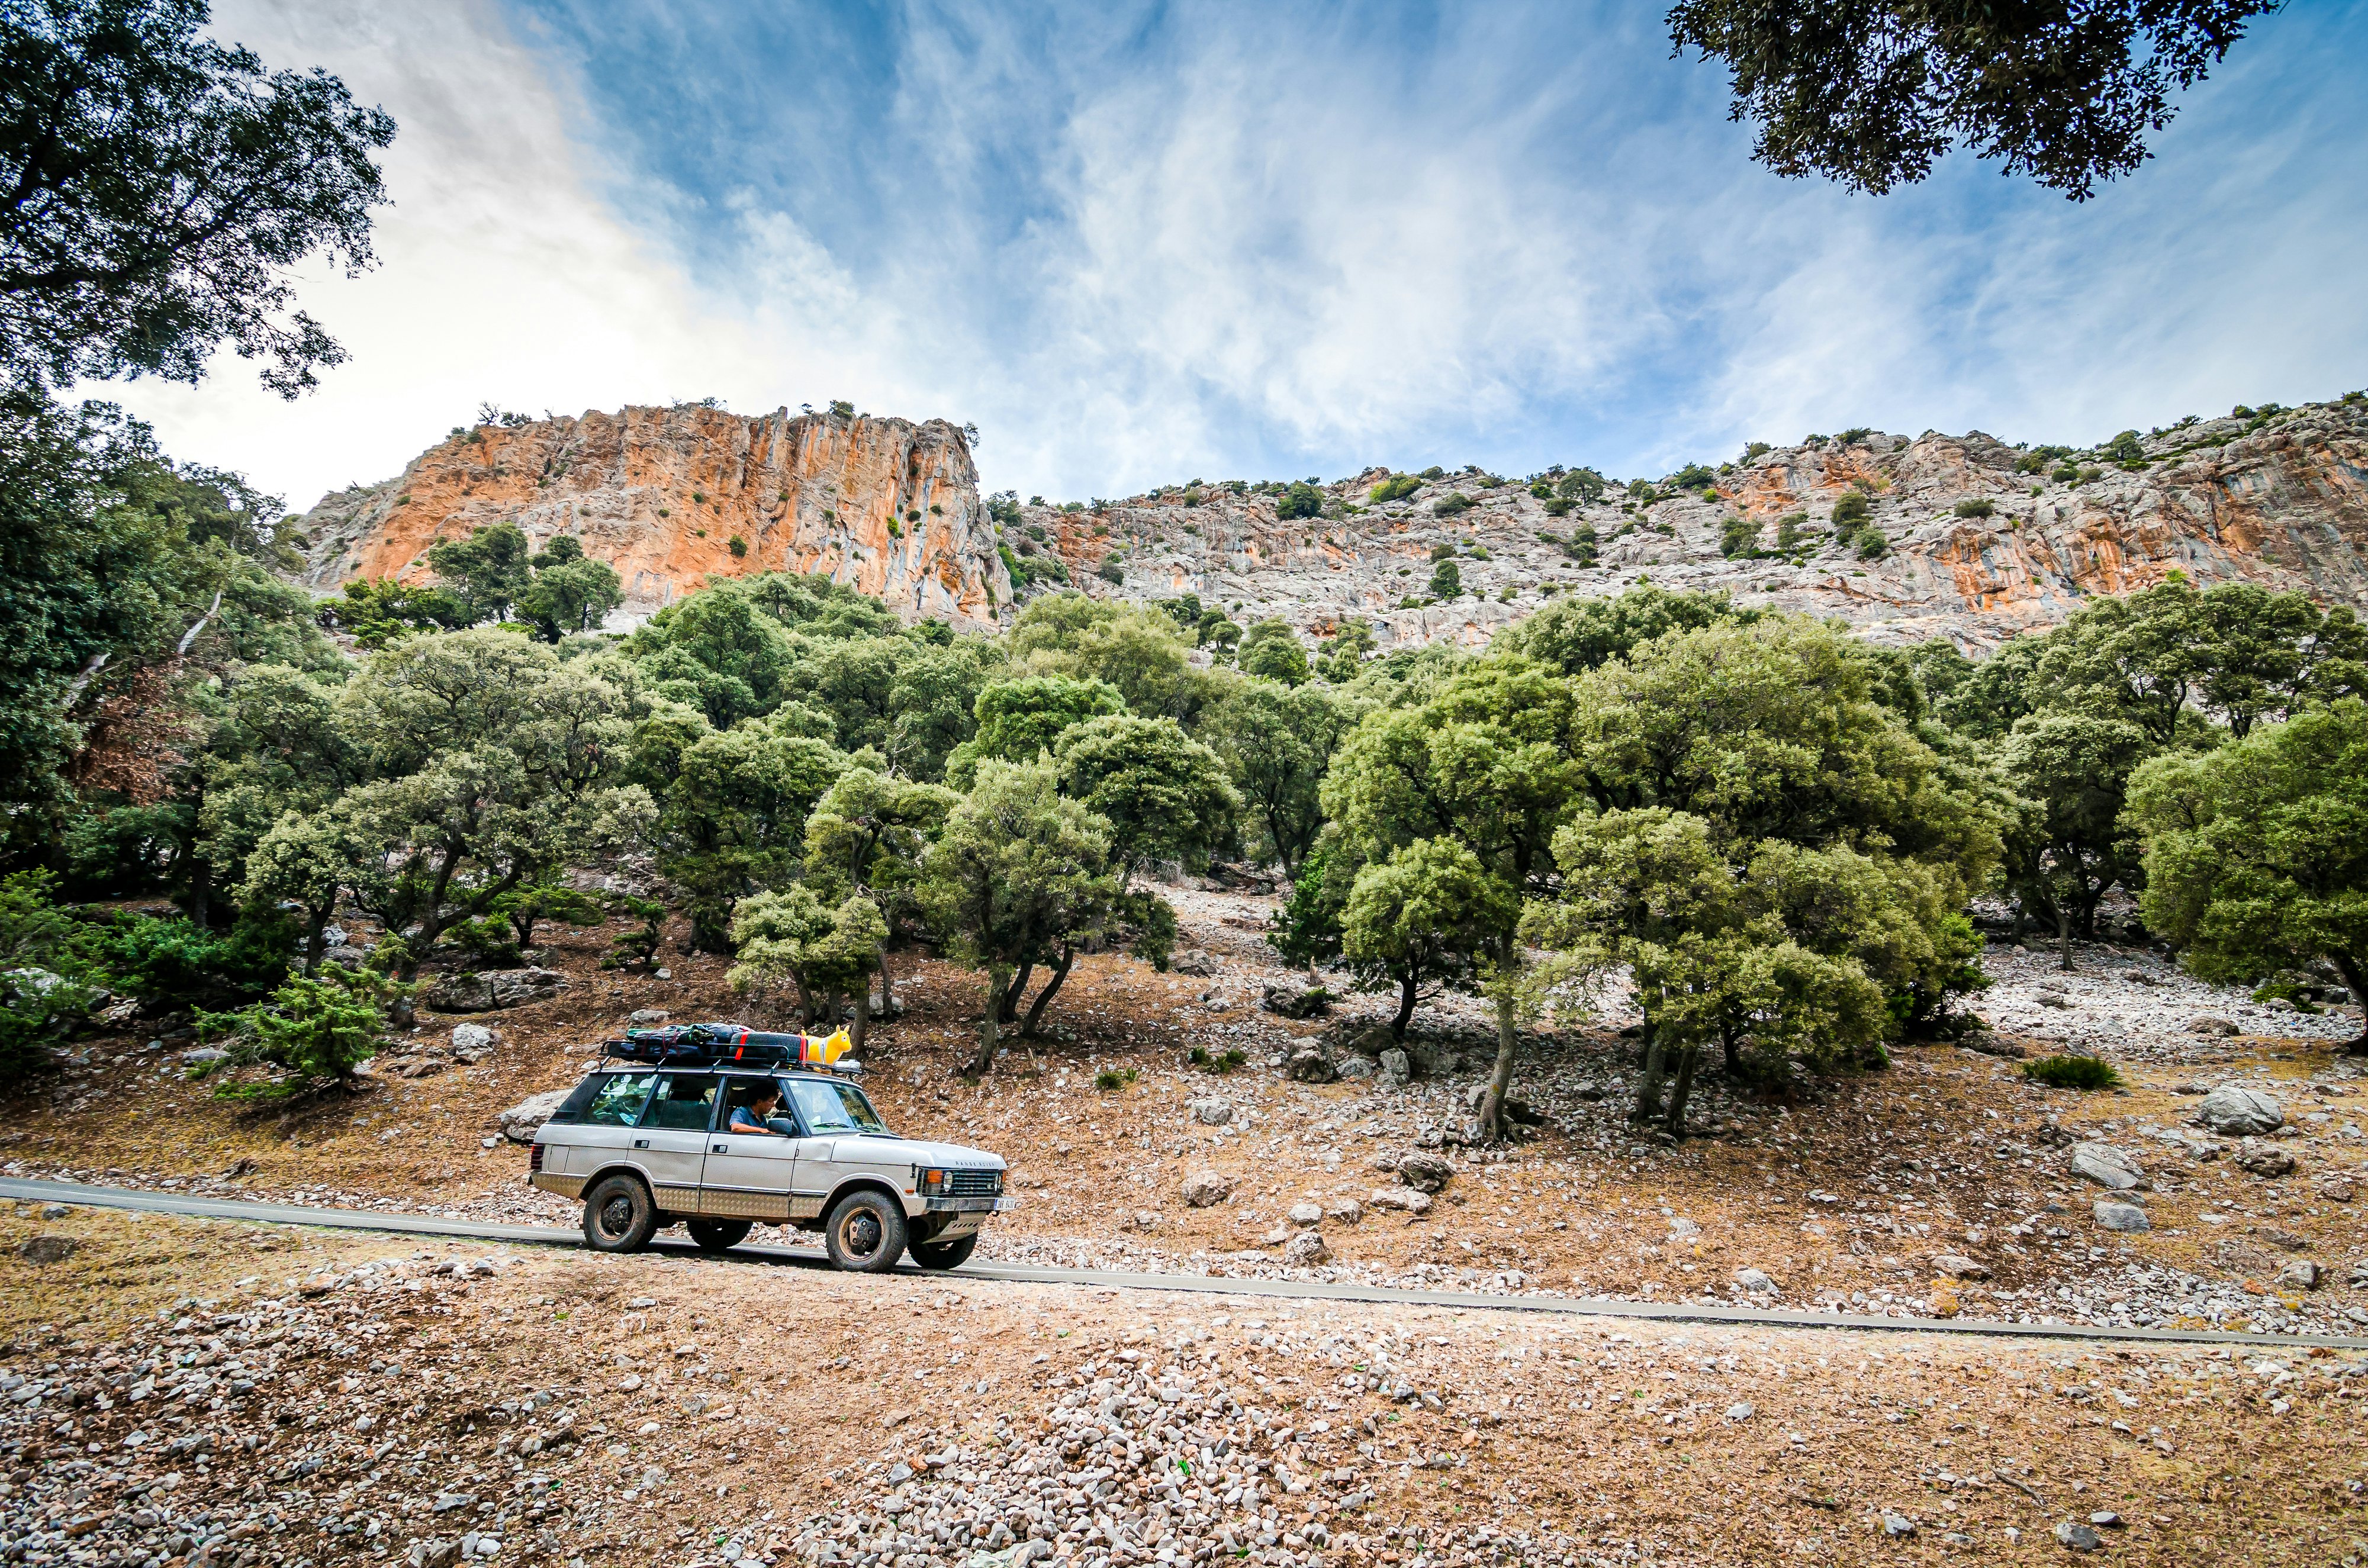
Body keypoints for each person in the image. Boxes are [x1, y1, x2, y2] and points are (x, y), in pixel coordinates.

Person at [726, 1082, 795, 1136]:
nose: (773, 1105)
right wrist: (762, 1130)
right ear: (759, 1102)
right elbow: (735, 1127)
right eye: (771, 1101)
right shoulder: (742, 1112)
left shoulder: (762, 1118)